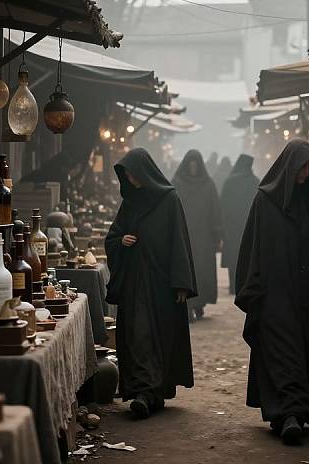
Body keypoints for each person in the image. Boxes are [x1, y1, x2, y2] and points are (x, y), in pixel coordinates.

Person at [235, 139, 309, 446]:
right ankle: (289, 414)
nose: (306, 173)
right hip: (275, 295)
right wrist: (252, 290)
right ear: (289, 166)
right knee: (284, 354)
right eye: (302, 166)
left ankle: (291, 414)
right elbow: (252, 250)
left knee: (307, 351)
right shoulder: (265, 202)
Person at [105, 148, 196, 419]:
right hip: (134, 283)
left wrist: (181, 283)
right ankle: (143, 392)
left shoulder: (169, 199)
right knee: (137, 335)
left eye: (133, 173)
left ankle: (153, 393)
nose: (130, 179)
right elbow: (113, 235)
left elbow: (179, 243)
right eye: (126, 175)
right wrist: (121, 241)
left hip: (161, 284)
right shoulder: (130, 202)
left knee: (159, 337)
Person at [172, 150, 223, 321]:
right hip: (184, 235)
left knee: (202, 271)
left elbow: (215, 210)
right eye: (190, 165)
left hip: (204, 237)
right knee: (187, 270)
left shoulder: (208, 184)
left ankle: (199, 303)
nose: (193, 168)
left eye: (195, 165)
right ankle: (190, 304)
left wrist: (218, 233)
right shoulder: (177, 183)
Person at [220, 154, 259, 295]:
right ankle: (244, 284)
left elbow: (222, 205)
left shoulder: (230, 182)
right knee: (247, 255)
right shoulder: (255, 182)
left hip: (231, 226)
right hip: (247, 224)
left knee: (233, 257)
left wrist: (223, 226)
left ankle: (233, 285)